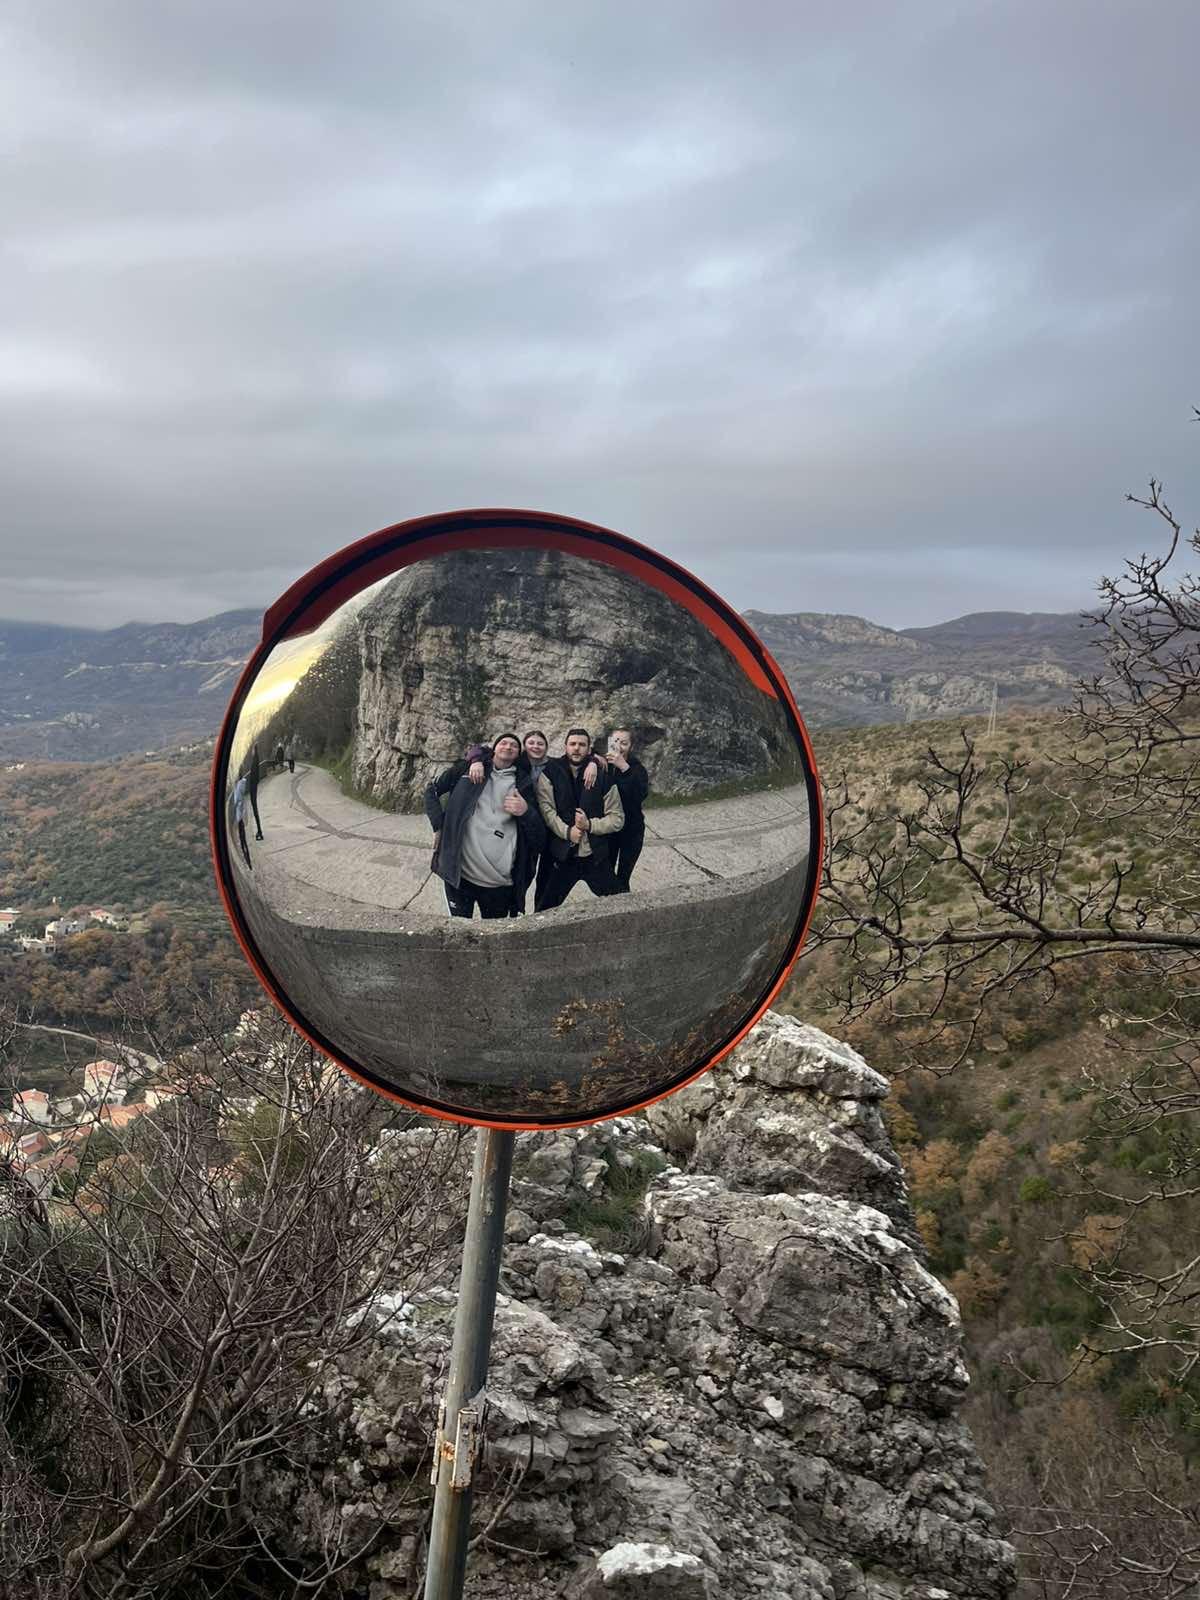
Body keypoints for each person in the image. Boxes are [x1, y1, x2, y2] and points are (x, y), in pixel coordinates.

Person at [425, 734, 545, 919]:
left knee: (494, 934)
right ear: (494, 748)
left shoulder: (524, 783)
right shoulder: (468, 769)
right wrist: (438, 826)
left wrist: (526, 811)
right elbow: (431, 790)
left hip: (499, 884)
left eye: (514, 745)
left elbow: (539, 839)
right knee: (460, 930)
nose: (508, 746)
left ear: (518, 754)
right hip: (460, 877)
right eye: (503, 743)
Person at [535, 729, 624, 911]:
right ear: (565, 746)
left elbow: (617, 818)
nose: (576, 748)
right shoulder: (550, 772)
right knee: (544, 910)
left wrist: (589, 825)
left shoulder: (603, 776)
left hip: (594, 855)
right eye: (572, 744)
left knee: (620, 903)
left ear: (589, 749)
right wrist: (568, 832)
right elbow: (547, 811)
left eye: (582, 745)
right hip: (561, 855)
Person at [605, 728, 650, 892]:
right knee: (606, 876)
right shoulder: (603, 766)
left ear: (631, 747)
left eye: (624, 743)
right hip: (608, 829)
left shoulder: (637, 769)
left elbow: (640, 794)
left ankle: (624, 902)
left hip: (631, 829)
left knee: (623, 877)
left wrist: (625, 768)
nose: (619, 746)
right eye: (615, 741)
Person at [232, 773, 252, 870]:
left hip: (239, 816)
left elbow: (236, 801)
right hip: (242, 815)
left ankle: (247, 861)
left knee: (242, 840)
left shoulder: (239, 786)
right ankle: (249, 862)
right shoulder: (243, 783)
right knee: (244, 840)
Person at [248, 743, 264, 841]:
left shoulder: (255, 761)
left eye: (252, 750)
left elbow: (254, 775)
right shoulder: (256, 759)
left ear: (254, 750)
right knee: (255, 810)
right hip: (254, 786)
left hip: (253, 787)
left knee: (255, 810)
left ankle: (260, 831)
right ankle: (259, 830)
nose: (251, 752)